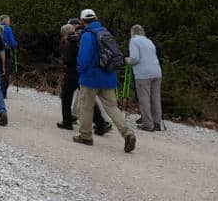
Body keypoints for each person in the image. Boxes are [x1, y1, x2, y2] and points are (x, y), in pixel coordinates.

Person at [75, 9, 136, 153]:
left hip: (91, 77)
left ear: (83, 21)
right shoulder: (106, 33)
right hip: (108, 77)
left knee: (86, 106)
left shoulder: (87, 36)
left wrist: (80, 70)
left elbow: (84, 58)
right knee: (112, 107)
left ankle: (85, 136)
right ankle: (128, 133)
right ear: (95, 18)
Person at [58, 20, 110, 134]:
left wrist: (64, 63)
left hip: (71, 73)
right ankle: (100, 124)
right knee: (89, 99)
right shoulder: (81, 39)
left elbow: (67, 60)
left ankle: (67, 122)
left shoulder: (69, 42)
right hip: (83, 73)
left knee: (66, 97)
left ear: (65, 34)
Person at [126, 25, 163, 132]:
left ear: (133, 32)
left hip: (143, 73)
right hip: (156, 71)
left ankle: (147, 124)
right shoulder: (149, 41)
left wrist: (127, 60)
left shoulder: (134, 41)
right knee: (155, 98)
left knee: (144, 99)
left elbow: (135, 58)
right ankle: (157, 123)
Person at [0, 15, 17, 98]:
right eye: (9, 20)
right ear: (5, 21)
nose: (9, 22)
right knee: (6, 71)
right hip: (6, 52)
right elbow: (12, 43)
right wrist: (15, 44)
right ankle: (3, 92)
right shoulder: (8, 29)